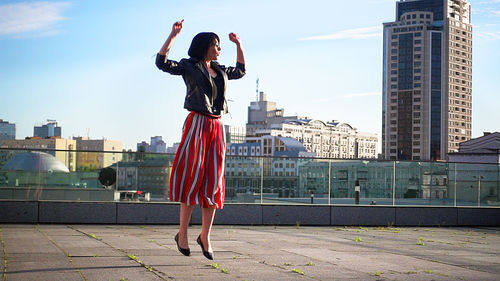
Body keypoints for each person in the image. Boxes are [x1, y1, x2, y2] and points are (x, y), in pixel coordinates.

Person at [155, 20, 245, 260]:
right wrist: (173, 35)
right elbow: (162, 63)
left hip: (216, 126)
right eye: (215, 45)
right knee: (191, 178)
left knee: (213, 182)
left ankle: (205, 236)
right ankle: (182, 234)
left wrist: (239, 44)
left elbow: (241, 70)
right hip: (197, 123)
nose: (219, 48)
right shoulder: (189, 66)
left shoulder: (221, 70)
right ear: (204, 46)